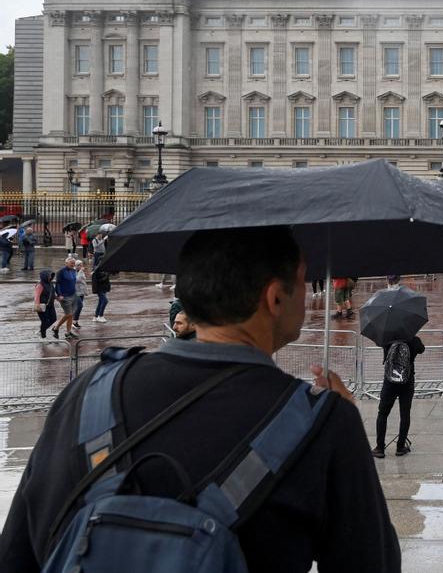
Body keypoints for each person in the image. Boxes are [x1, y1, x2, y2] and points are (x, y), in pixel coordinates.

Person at [0, 225, 401, 571]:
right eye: (302, 280)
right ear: (276, 298)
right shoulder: (325, 422)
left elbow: (18, 554)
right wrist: (347, 431)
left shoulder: (86, 391)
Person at [373, 335, 425, 458]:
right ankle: (400, 447)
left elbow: (381, 347)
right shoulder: (414, 340)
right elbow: (422, 349)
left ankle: (380, 448)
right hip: (407, 381)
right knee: (405, 414)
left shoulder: (387, 339)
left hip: (390, 382)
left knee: (383, 413)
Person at [50, 257, 78, 340]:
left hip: (73, 294)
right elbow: (57, 284)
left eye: (73, 263)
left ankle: (68, 332)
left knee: (71, 315)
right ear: (66, 263)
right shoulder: (61, 271)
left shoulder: (74, 270)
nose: (73, 265)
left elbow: (73, 282)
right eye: (71, 263)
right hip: (64, 296)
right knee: (68, 314)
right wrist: (59, 294)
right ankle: (56, 328)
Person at [33, 269, 57, 339]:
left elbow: (52, 293)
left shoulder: (50, 283)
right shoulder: (40, 284)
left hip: (50, 304)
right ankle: (43, 336)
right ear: (45, 276)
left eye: (51, 276)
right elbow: (37, 296)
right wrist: (37, 305)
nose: (51, 277)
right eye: (49, 276)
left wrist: (57, 298)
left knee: (53, 319)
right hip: (42, 306)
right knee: (45, 320)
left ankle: (41, 330)